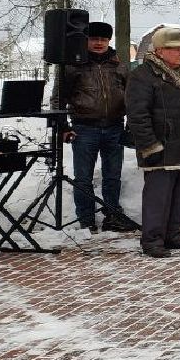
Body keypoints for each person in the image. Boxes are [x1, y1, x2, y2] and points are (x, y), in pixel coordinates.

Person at [124, 26, 180, 257]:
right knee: (158, 198)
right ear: (160, 50)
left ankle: (173, 235)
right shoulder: (143, 75)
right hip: (160, 148)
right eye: (176, 50)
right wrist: (149, 145)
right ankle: (152, 240)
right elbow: (137, 115)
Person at [59, 20, 138, 232]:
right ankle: (86, 220)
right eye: (94, 39)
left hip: (114, 128)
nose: (99, 43)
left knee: (113, 176)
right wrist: (62, 127)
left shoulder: (119, 65)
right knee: (83, 177)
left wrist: (131, 125)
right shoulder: (73, 66)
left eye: (103, 39)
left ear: (109, 41)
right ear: (86, 40)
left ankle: (112, 215)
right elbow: (58, 99)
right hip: (84, 128)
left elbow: (132, 98)